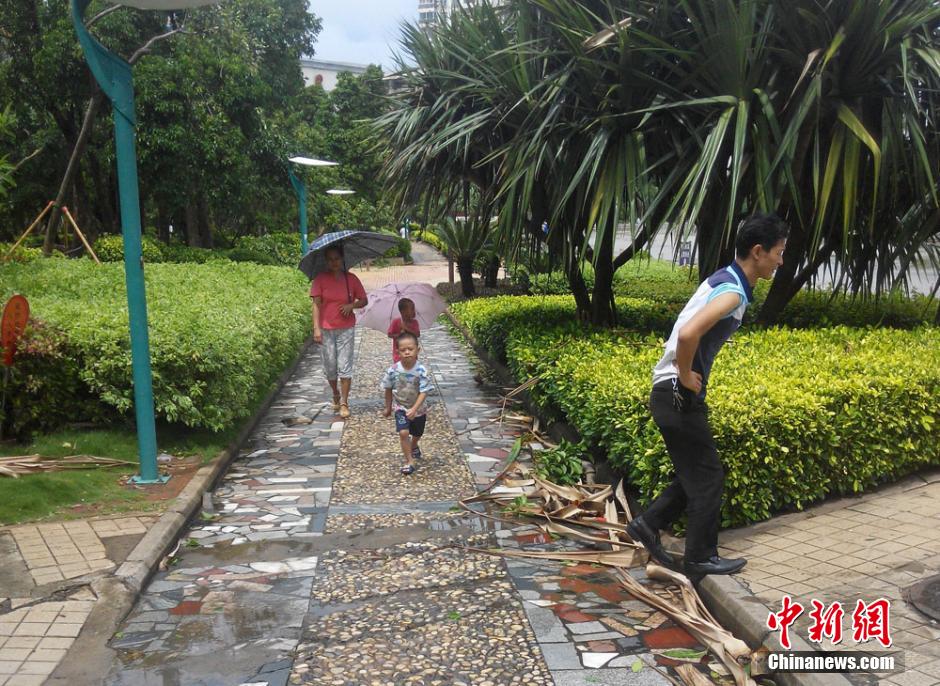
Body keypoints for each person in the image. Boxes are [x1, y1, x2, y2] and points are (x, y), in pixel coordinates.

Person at [627, 214, 789, 577]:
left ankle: (647, 525)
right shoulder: (732, 292)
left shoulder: (727, 279)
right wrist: (686, 376)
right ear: (758, 251)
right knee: (709, 477)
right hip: (676, 393)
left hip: (669, 393)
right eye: (778, 253)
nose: (781, 261)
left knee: (697, 473)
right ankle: (700, 557)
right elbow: (688, 334)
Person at [310, 245, 368, 418]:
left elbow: (364, 300)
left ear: (342, 259)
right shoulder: (320, 279)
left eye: (336, 258)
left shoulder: (351, 279)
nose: (334, 262)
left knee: (345, 366)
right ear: (326, 261)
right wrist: (316, 328)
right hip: (326, 329)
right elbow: (316, 304)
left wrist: (352, 305)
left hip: (346, 328)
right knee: (330, 367)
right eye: (330, 259)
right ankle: (335, 392)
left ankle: (344, 402)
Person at [382, 332, 432, 475]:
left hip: (419, 409)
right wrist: (388, 407)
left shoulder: (421, 371)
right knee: (403, 433)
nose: (407, 352)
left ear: (417, 350)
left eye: (410, 349)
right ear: (397, 352)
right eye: (403, 350)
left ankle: (414, 444)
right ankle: (409, 461)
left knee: (418, 432)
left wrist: (415, 409)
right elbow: (388, 388)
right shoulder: (393, 371)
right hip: (401, 407)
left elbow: (424, 391)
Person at [387, 298, 420, 363]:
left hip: (412, 355)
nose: (414, 311)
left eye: (414, 309)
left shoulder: (414, 322)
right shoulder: (396, 322)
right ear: (403, 311)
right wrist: (399, 335)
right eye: (412, 309)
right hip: (399, 355)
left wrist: (406, 329)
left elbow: (417, 334)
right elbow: (389, 334)